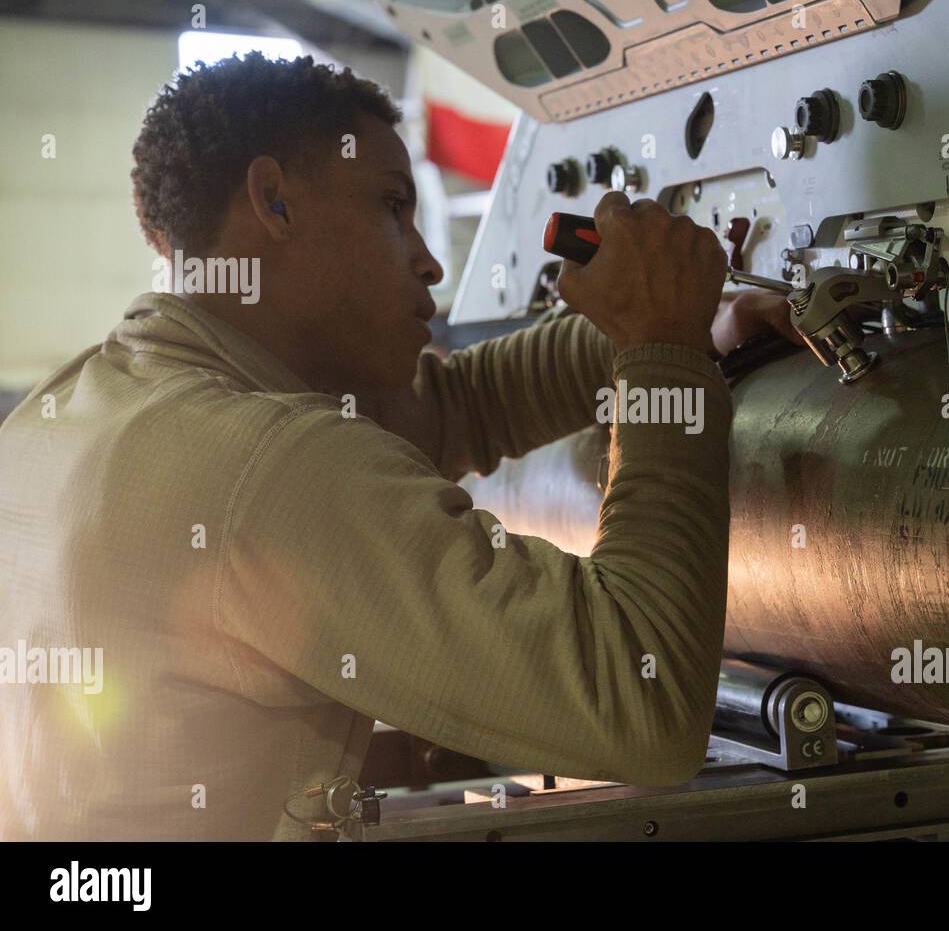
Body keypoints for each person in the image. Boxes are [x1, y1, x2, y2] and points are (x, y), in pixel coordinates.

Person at [0, 53, 795, 840]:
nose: (430, 258)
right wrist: (663, 354)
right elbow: (638, 699)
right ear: (272, 201)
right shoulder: (270, 464)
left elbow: (461, 406)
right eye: (392, 208)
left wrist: (685, 325)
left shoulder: (71, 411)